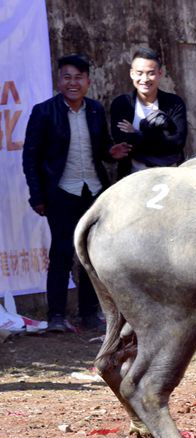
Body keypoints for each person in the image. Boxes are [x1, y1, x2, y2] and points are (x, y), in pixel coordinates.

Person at [22, 54, 131, 332]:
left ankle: (89, 314)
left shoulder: (95, 109)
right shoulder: (44, 112)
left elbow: (103, 146)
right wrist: (37, 196)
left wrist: (112, 152)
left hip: (94, 192)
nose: (73, 83)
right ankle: (56, 316)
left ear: (88, 82)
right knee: (61, 253)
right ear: (59, 81)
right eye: (67, 77)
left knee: (92, 256)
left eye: (78, 77)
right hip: (60, 193)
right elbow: (30, 158)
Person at [110, 47, 187, 178]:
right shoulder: (122, 103)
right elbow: (124, 144)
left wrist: (135, 133)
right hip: (132, 178)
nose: (145, 79)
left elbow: (178, 142)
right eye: (139, 73)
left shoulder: (174, 103)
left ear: (160, 73)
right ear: (132, 74)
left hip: (170, 176)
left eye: (151, 73)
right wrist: (162, 136)